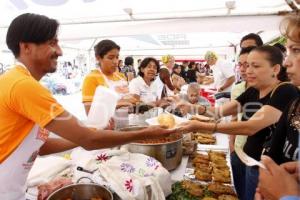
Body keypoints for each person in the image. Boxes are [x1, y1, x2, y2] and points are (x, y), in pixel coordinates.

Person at [0, 13, 176, 200]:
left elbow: (40, 147)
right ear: (25, 46)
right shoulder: (22, 85)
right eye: (52, 43)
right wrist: (147, 133)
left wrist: (87, 136)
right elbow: (89, 139)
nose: (60, 51)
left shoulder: (20, 82)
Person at [179, 45, 299, 200]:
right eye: (246, 65)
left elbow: (250, 127)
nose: (248, 71)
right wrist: (192, 109)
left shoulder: (285, 91)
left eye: (255, 66)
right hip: (249, 161)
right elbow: (219, 112)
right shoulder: (253, 90)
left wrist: (201, 126)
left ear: (275, 69)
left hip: (270, 172)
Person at [82, 40, 138, 115]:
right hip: (105, 125)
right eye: (111, 58)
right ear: (98, 58)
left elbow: (128, 99)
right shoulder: (92, 78)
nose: (115, 61)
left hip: (124, 122)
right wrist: (117, 104)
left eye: (117, 57)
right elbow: (89, 112)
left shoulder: (120, 76)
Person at [229, 46, 255, 199]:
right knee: (240, 193)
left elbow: (251, 126)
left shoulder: (278, 91)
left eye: (249, 64)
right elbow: (233, 117)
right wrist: (232, 144)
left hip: (256, 157)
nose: (245, 69)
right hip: (238, 149)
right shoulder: (238, 89)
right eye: (241, 65)